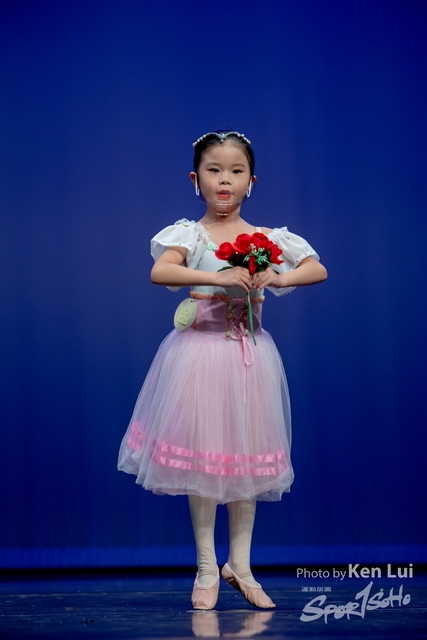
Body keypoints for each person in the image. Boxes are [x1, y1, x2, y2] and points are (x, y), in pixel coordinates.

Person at [118, 130, 327, 610]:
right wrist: (218, 276)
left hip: (249, 358)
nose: (225, 180)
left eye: (236, 171)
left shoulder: (267, 239)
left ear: (252, 181)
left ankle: (242, 565)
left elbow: (316, 268)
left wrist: (278, 276)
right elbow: (161, 271)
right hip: (200, 357)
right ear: (196, 180)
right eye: (214, 171)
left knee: (245, 463)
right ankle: (207, 566)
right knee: (205, 464)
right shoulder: (190, 234)